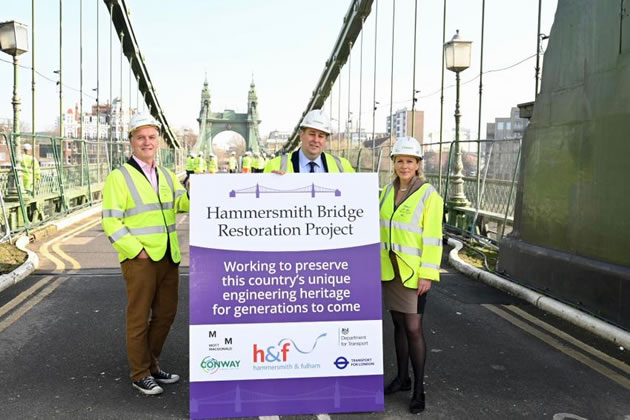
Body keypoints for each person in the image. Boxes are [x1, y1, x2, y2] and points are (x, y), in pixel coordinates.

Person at [101, 113, 189, 396]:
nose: (147, 142)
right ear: (131, 143)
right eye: (141, 137)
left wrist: (200, 189)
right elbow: (110, 220)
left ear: (159, 142)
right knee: (139, 317)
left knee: (166, 314)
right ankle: (140, 373)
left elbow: (183, 204)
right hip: (140, 259)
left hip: (168, 256)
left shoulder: (165, 175)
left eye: (152, 137)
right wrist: (134, 250)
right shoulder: (119, 176)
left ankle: (152, 364)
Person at [379, 136, 443, 414]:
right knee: (398, 325)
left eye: (410, 161)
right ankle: (402, 378)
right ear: (393, 163)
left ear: (418, 165)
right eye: (399, 161)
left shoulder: (430, 195)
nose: (404, 166)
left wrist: (427, 274)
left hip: (413, 273)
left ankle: (419, 389)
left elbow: (433, 238)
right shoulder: (385, 191)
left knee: (414, 329)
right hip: (388, 269)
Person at [264, 109, 354, 173]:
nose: (316, 140)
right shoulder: (275, 166)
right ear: (301, 134)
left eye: (321, 136)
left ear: (326, 139)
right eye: (312, 134)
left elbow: (355, 194)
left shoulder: (342, 167)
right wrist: (274, 183)